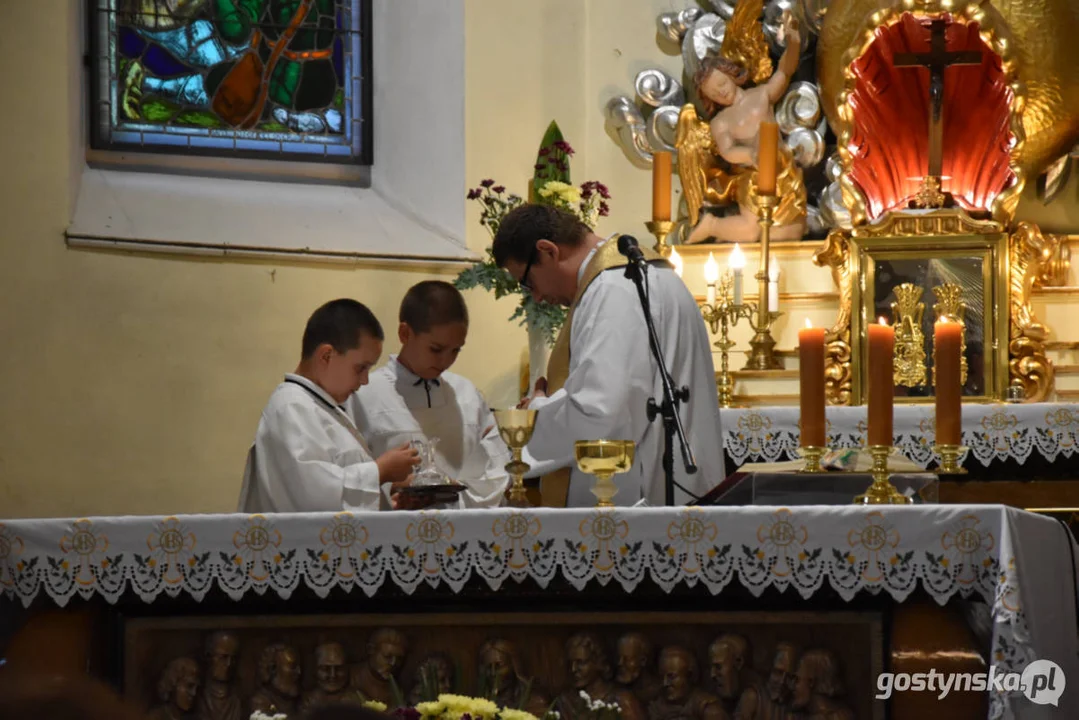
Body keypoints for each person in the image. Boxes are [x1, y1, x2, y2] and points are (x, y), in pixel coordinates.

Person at [493, 204, 724, 507]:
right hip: (679, 487)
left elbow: (601, 415)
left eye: (527, 282)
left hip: (642, 501)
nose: (536, 297)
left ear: (548, 251)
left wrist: (531, 416)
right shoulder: (651, 274)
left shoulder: (613, 289)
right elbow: (628, 395)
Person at [238, 299, 419, 512]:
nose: (365, 381)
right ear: (326, 356)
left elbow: (336, 482)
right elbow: (310, 493)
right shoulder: (291, 407)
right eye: (360, 368)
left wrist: (388, 497)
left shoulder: (323, 408)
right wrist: (379, 471)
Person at [348, 281, 511, 508]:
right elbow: (348, 474)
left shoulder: (467, 395)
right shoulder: (364, 393)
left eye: (455, 350)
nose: (446, 361)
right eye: (436, 349)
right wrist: (390, 490)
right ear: (405, 333)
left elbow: (493, 466)